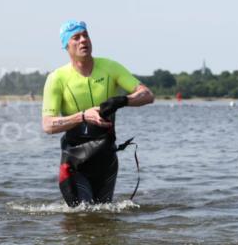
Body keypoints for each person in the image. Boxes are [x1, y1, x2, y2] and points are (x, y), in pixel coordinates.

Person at [41, 21, 154, 206]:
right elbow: (47, 125)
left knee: (104, 216)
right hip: (74, 160)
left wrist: (122, 101)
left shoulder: (110, 67)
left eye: (85, 35)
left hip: (106, 157)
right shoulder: (57, 78)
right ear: (66, 45)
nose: (83, 40)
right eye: (76, 37)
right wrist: (83, 116)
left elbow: (148, 95)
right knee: (80, 216)